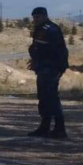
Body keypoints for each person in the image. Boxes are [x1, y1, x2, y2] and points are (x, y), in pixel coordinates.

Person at [27, 7, 69, 139]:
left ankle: (60, 129)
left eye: (37, 17)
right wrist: (35, 60)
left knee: (51, 97)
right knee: (43, 97)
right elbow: (37, 47)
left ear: (45, 16)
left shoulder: (52, 30)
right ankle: (44, 127)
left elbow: (56, 51)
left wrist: (56, 67)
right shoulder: (40, 29)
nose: (35, 20)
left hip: (51, 67)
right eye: (34, 17)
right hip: (43, 67)